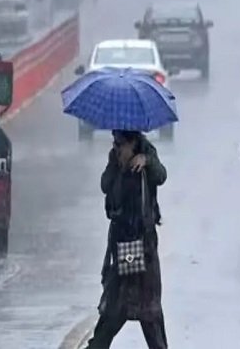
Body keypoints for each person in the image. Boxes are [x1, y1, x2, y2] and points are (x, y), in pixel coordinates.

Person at [85, 130, 168, 348]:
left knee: (146, 308)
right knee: (117, 304)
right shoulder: (115, 160)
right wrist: (117, 166)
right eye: (114, 143)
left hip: (143, 245)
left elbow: (161, 176)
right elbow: (105, 185)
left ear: (132, 143)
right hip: (123, 243)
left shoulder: (147, 154)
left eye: (120, 144)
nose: (116, 148)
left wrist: (146, 161)